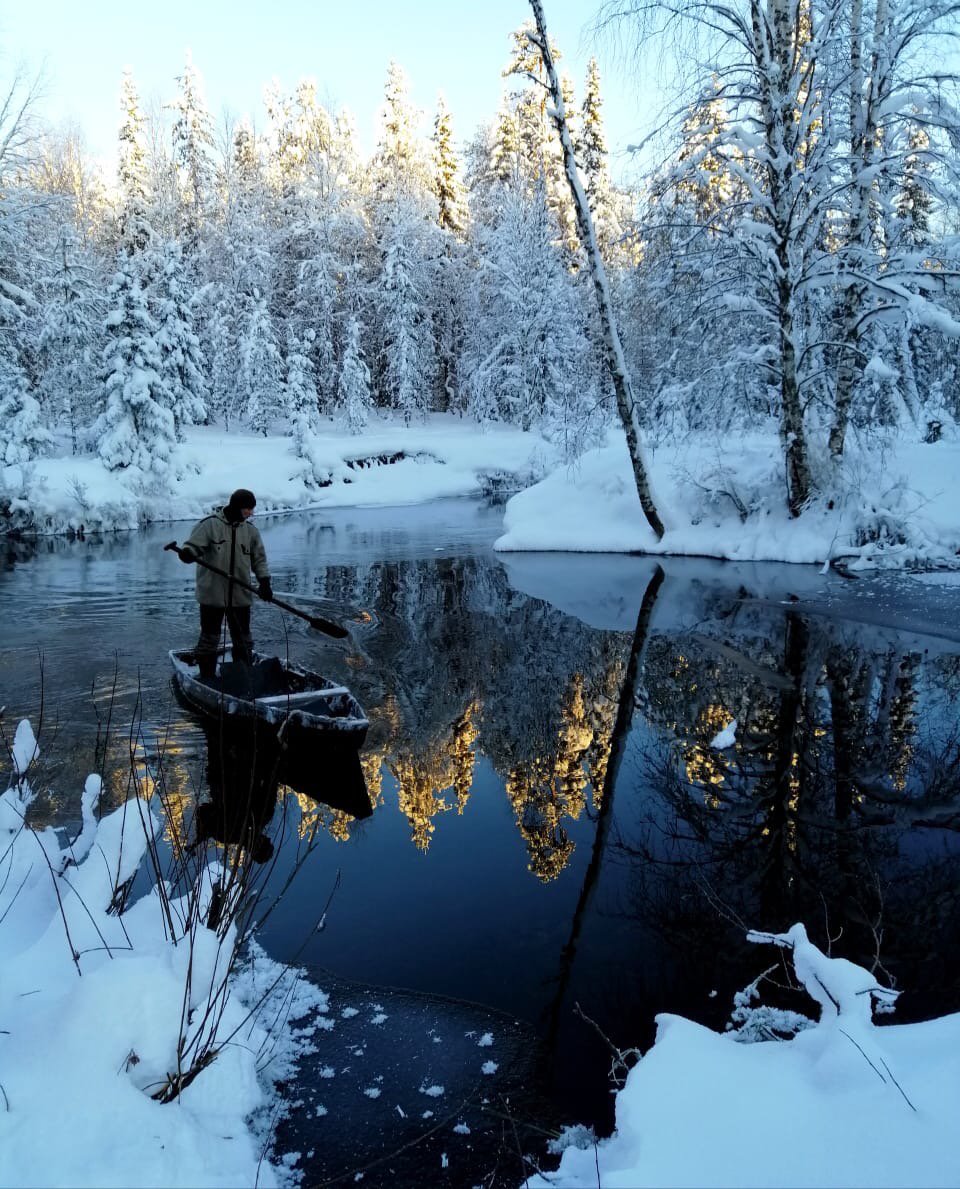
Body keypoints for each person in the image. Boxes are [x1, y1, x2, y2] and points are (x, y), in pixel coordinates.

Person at [179, 488, 273, 680]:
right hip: (212, 595)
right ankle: (207, 677)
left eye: (252, 510)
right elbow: (192, 547)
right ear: (237, 506)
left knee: (244, 641)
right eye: (248, 509)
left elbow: (259, 560)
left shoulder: (251, 531)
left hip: (240, 595)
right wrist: (187, 554)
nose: (250, 513)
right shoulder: (209, 525)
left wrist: (265, 582)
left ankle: (243, 677)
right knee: (209, 640)